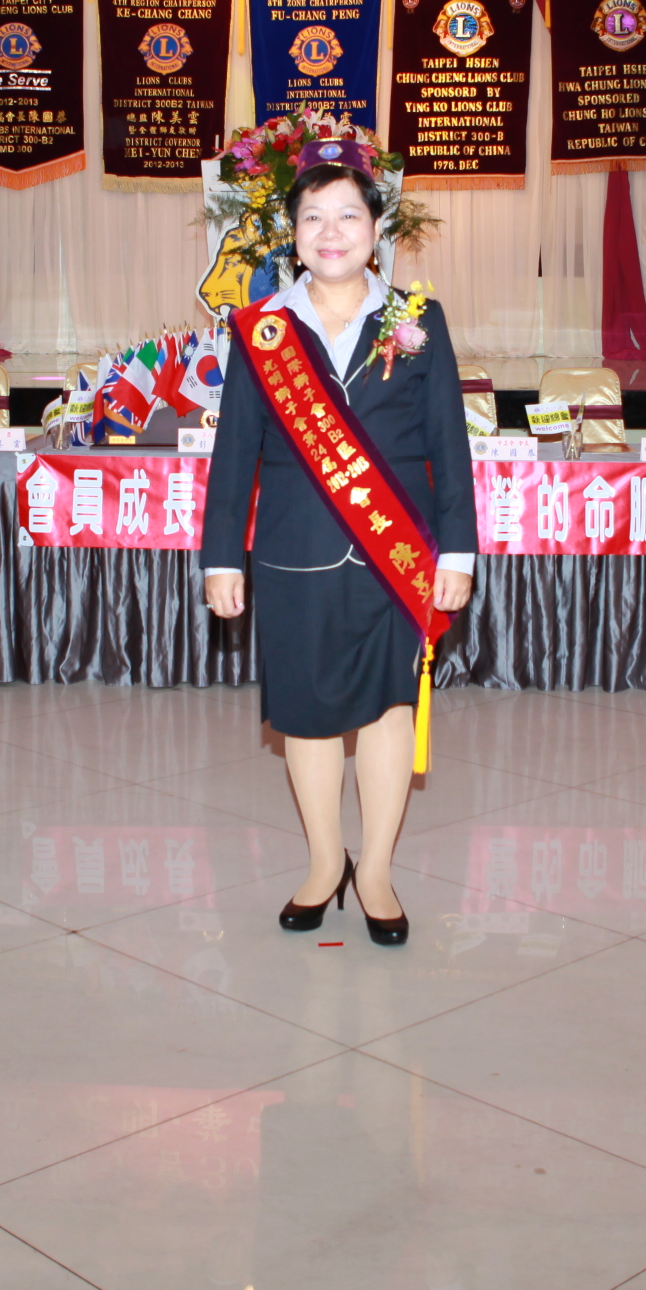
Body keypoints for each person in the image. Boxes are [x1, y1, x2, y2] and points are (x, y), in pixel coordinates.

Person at [201, 138, 476, 948]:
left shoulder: (417, 318)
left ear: (376, 228)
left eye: (348, 216)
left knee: (391, 711)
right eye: (313, 218)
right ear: (293, 235)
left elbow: (449, 443)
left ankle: (378, 871)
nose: (331, 232)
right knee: (308, 717)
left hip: (398, 554)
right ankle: (326, 864)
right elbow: (235, 451)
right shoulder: (263, 330)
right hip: (294, 553)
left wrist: (458, 553)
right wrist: (222, 556)